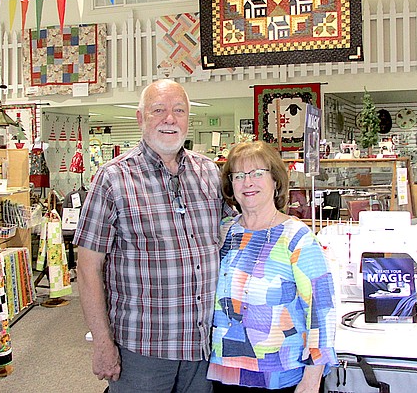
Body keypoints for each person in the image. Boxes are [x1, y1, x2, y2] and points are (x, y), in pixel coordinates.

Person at [75, 79, 231, 393]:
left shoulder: (210, 173)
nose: (169, 119)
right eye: (158, 110)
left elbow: (240, 229)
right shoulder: (112, 179)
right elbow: (87, 269)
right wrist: (103, 344)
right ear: (140, 117)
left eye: (179, 111)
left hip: (203, 348)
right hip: (142, 351)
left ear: (188, 118)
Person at [208, 141, 338, 393]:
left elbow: (321, 311)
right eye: (239, 176)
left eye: (258, 173)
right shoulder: (226, 232)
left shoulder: (297, 237)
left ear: (276, 181)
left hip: (281, 376)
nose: (248, 183)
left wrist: (312, 379)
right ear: (230, 185)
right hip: (225, 373)